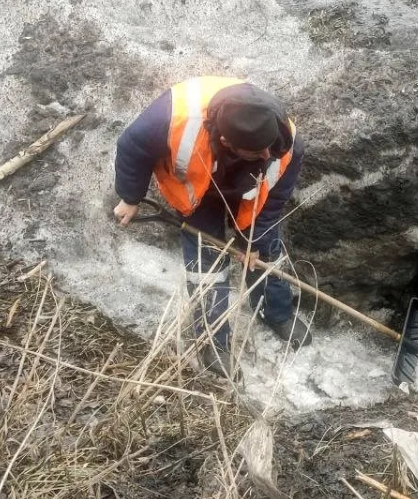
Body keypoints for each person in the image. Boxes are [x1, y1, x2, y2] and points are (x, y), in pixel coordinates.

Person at [113, 76, 312, 370]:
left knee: (267, 252)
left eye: (269, 148)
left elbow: (275, 199)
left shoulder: (284, 142)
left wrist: (251, 242)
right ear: (226, 142)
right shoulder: (171, 117)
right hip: (198, 191)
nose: (268, 155)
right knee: (207, 266)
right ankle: (213, 340)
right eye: (258, 152)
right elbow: (132, 146)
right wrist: (130, 197)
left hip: (250, 191)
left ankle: (276, 312)